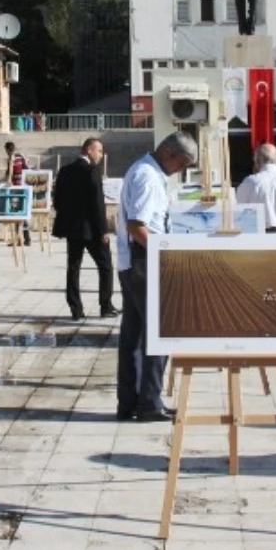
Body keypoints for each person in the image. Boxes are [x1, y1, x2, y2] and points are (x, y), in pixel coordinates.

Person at [117, 131, 197, 422]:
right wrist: (163, 255)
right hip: (144, 262)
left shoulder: (144, 170)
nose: (182, 171)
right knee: (158, 334)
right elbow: (138, 227)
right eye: (183, 164)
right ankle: (149, 403)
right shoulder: (148, 177)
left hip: (136, 262)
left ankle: (131, 402)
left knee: (135, 336)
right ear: (171, 155)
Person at [53, 138, 118, 320]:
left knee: (73, 267)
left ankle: (76, 309)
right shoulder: (91, 171)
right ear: (89, 150)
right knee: (105, 266)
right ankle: (105, 305)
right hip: (92, 229)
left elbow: (57, 201)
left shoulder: (65, 171)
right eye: (99, 151)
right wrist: (104, 230)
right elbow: (98, 204)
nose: (101, 155)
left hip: (73, 229)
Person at [5, 141, 31, 246]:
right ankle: (26, 238)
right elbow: (28, 168)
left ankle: (19, 238)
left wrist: (8, 182)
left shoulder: (12, 158)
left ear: (7, 149)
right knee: (22, 214)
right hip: (23, 187)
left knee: (16, 214)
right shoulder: (21, 157)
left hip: (15, 188)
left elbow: (10, 173)